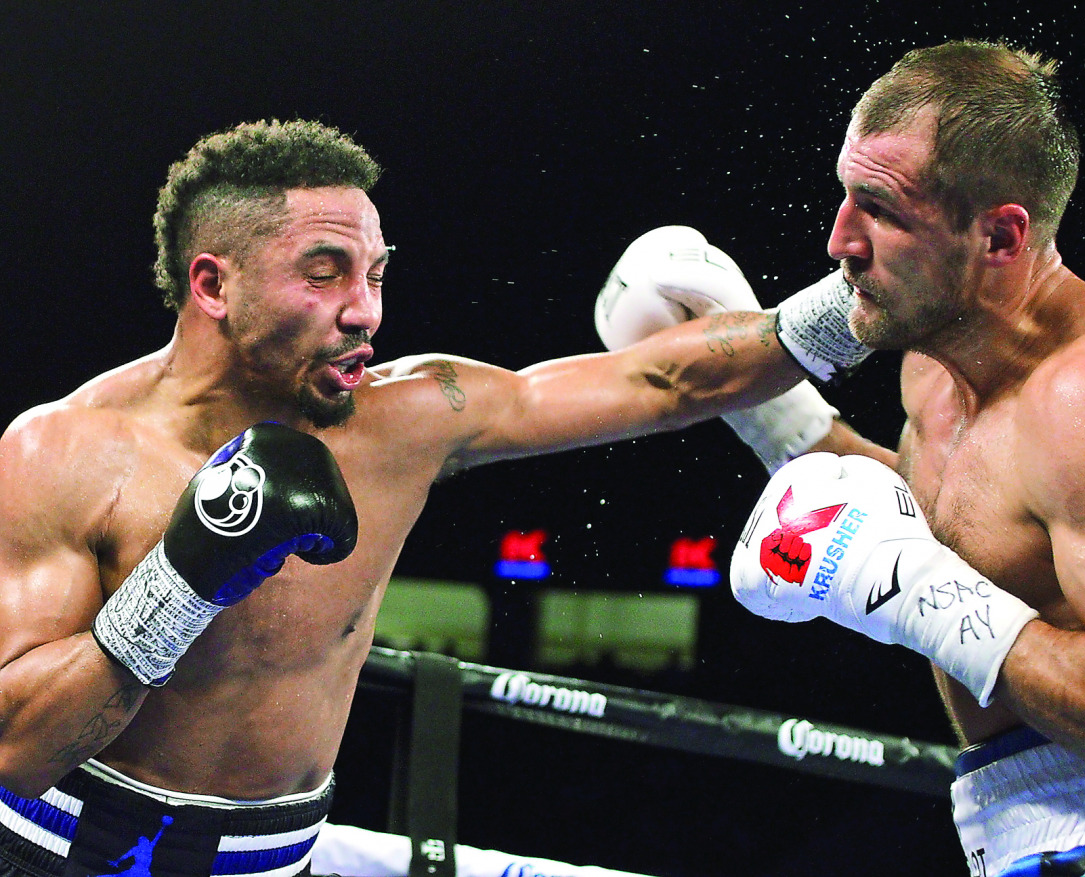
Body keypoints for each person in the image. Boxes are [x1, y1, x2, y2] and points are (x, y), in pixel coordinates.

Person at [0, 119, 856, 877]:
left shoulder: (407, 419)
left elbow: (661, 379)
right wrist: (183, 580)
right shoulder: (68, 451)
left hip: (276, 858)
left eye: (375, 273)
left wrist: (866, 297)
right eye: (325, 273)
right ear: (213, 285)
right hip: (56, 848)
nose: (364, 311)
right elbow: (14, 749)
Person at [719, 39, 1085, 877]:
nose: (840, 241)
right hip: (1018, 826)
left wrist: (918, 595)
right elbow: (947, 537)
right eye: (845, 195)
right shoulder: (933, 365)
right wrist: (778, 421)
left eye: (882, 209)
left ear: (1001, 237)